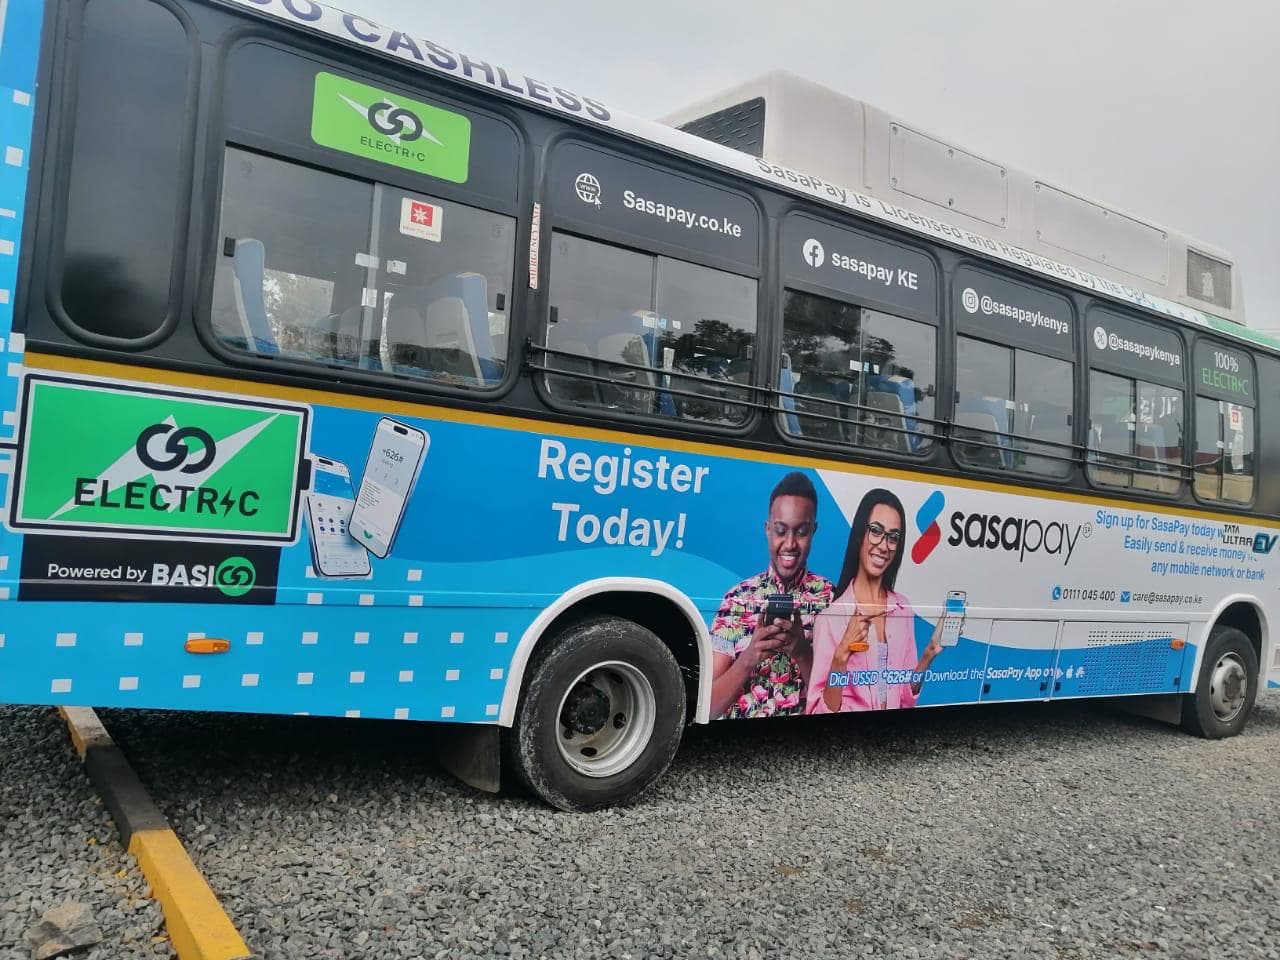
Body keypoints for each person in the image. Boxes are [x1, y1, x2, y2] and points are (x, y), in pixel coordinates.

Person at [806, 488, 952, 713]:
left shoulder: (903, 609)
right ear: (859, 535)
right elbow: (817, 710)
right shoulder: (829, 619)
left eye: (893, 537)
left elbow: (906, 699)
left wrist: (929, 653)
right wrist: (841, 655)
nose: (884, 546)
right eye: (876, 531)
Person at [709, 472, 834, 719]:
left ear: (814, 532)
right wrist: (749, 657)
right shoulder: (737, 598)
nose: (789, 544)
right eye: (780, 530)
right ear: (767, 530)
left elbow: (838, 703)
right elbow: (708, 706)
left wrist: (802, 653)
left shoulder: (833, 599)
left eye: (801, 531)